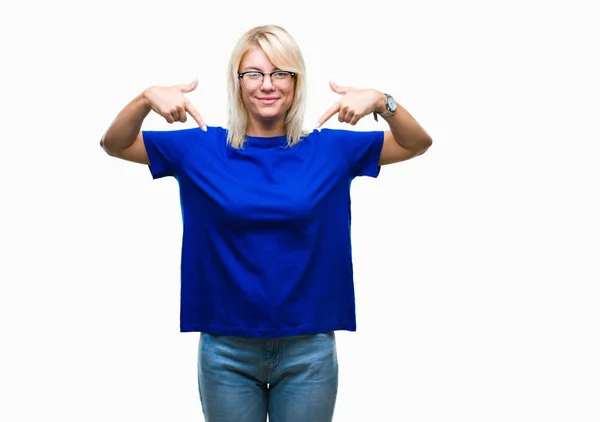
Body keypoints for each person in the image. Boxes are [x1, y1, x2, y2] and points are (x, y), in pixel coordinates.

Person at [100, 24, 432, 422]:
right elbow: (115, 144)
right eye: (253, 74)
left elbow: (417, 143)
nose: (267, 85)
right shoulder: (199, 147)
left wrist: (383, 101)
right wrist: (144, 99)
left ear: (296, 81)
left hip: (308, 348)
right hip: (226, 349)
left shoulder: (331, 149)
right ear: (238, 83)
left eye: (280, 73)